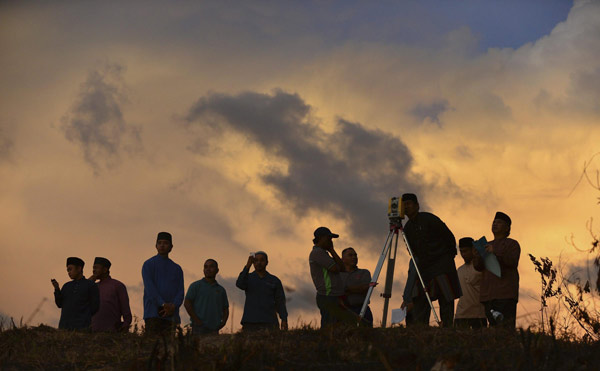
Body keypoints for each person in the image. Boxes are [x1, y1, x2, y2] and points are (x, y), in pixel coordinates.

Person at [400, 193, 461, 327]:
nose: (406, 207)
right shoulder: (408, 228)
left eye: (409, 204)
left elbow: (449, 237)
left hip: (442, 265)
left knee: (446, 300)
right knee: (421, 299)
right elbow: (412, 251)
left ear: (417, 206)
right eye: (403, 204)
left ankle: (447, 330)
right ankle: (421, 330)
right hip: (424, 268)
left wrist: (447, 257)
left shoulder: (429, 219)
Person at [473, 212, 520, 328]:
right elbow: (478, 267)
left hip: (505, 294)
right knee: (493, 330)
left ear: (507, 228)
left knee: (506, 329)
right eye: (494, 222)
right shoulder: (486, 244)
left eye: (499, 222)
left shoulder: (512, 244)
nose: (495, 224)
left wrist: (495, 252)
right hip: (488, 295)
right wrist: (476, 255)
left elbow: (512, 262)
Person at [309, 226, 356, 327]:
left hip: (333, 295)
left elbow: (342, 268)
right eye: (328, 238)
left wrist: (331, 251)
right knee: (330, 326)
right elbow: (335, 268)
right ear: (320, 238)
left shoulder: (324, 253)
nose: (330, 241)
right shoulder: (317, 253)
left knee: (340, 325)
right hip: (327, 296)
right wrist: (332, 250)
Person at [142, 232, 184, 335]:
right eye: (159, 243)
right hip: (153, 314)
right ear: (156, 246)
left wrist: (173, 306)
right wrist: (163, 304)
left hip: (171, 316)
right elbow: (150, 288)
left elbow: (180, 291)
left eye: (165, 243)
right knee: (152, 348)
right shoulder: (148, 264)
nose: (162, 245)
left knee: (169, 349)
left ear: (171, 247)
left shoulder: (177, 268)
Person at [236, 251, 288, 331]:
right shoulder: (248, 278)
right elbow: (239, 284)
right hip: (250, 322)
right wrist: (247, 266)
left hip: (270, 322)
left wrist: (284, 319)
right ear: (253, 262)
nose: (259, 263)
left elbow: (280, 301)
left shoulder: (274, 280)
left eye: (262, 260)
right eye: (256, 260)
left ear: (267, 262)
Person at [51, 257, 100, 330]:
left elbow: (95, 307)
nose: (69, 272)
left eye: (70, 269)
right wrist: (57, 289)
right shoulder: (66, 286)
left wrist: (84, 316)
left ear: (79, 269)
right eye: (68, 270)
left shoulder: (90, 285)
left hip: (83, 328)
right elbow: (59, 304)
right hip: (64, 327)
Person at [184, 259, 229, 335]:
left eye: (211, 267)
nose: (208, 269)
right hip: (198, 328)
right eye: (206, 267)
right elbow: (187, 303)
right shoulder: (195, 286)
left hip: (214, 328)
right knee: (197, 347)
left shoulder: (221, 290)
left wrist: (223, 322)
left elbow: (225, 308)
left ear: (217, 270)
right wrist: (197, 320)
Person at [89, 257, 132, 332]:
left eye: (96, 268)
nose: (94, 270)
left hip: (111, 332)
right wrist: (87, 284)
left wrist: (125, 325)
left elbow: (125, 309)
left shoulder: (117, 285)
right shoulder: (92, 286)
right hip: (92, 332)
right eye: (93, 268)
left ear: (105, 270)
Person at [454, 238, 487, 329]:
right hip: (460, 316)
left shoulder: (482, 267)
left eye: (466, 251)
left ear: (473, 250)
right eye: (461, 251)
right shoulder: (459, 270)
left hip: (478, 315)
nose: (463, 254)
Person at [340, 247, 374, 327]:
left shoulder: (364, 272)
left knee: (367, 335)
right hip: (345, 310)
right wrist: (357, 288)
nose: (354, 257)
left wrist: (346, 289)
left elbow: (366, 288)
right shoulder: (338, 275)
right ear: (343, 259)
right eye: (350, 255)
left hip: (362, 309)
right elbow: (336, 291)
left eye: (355, 255)